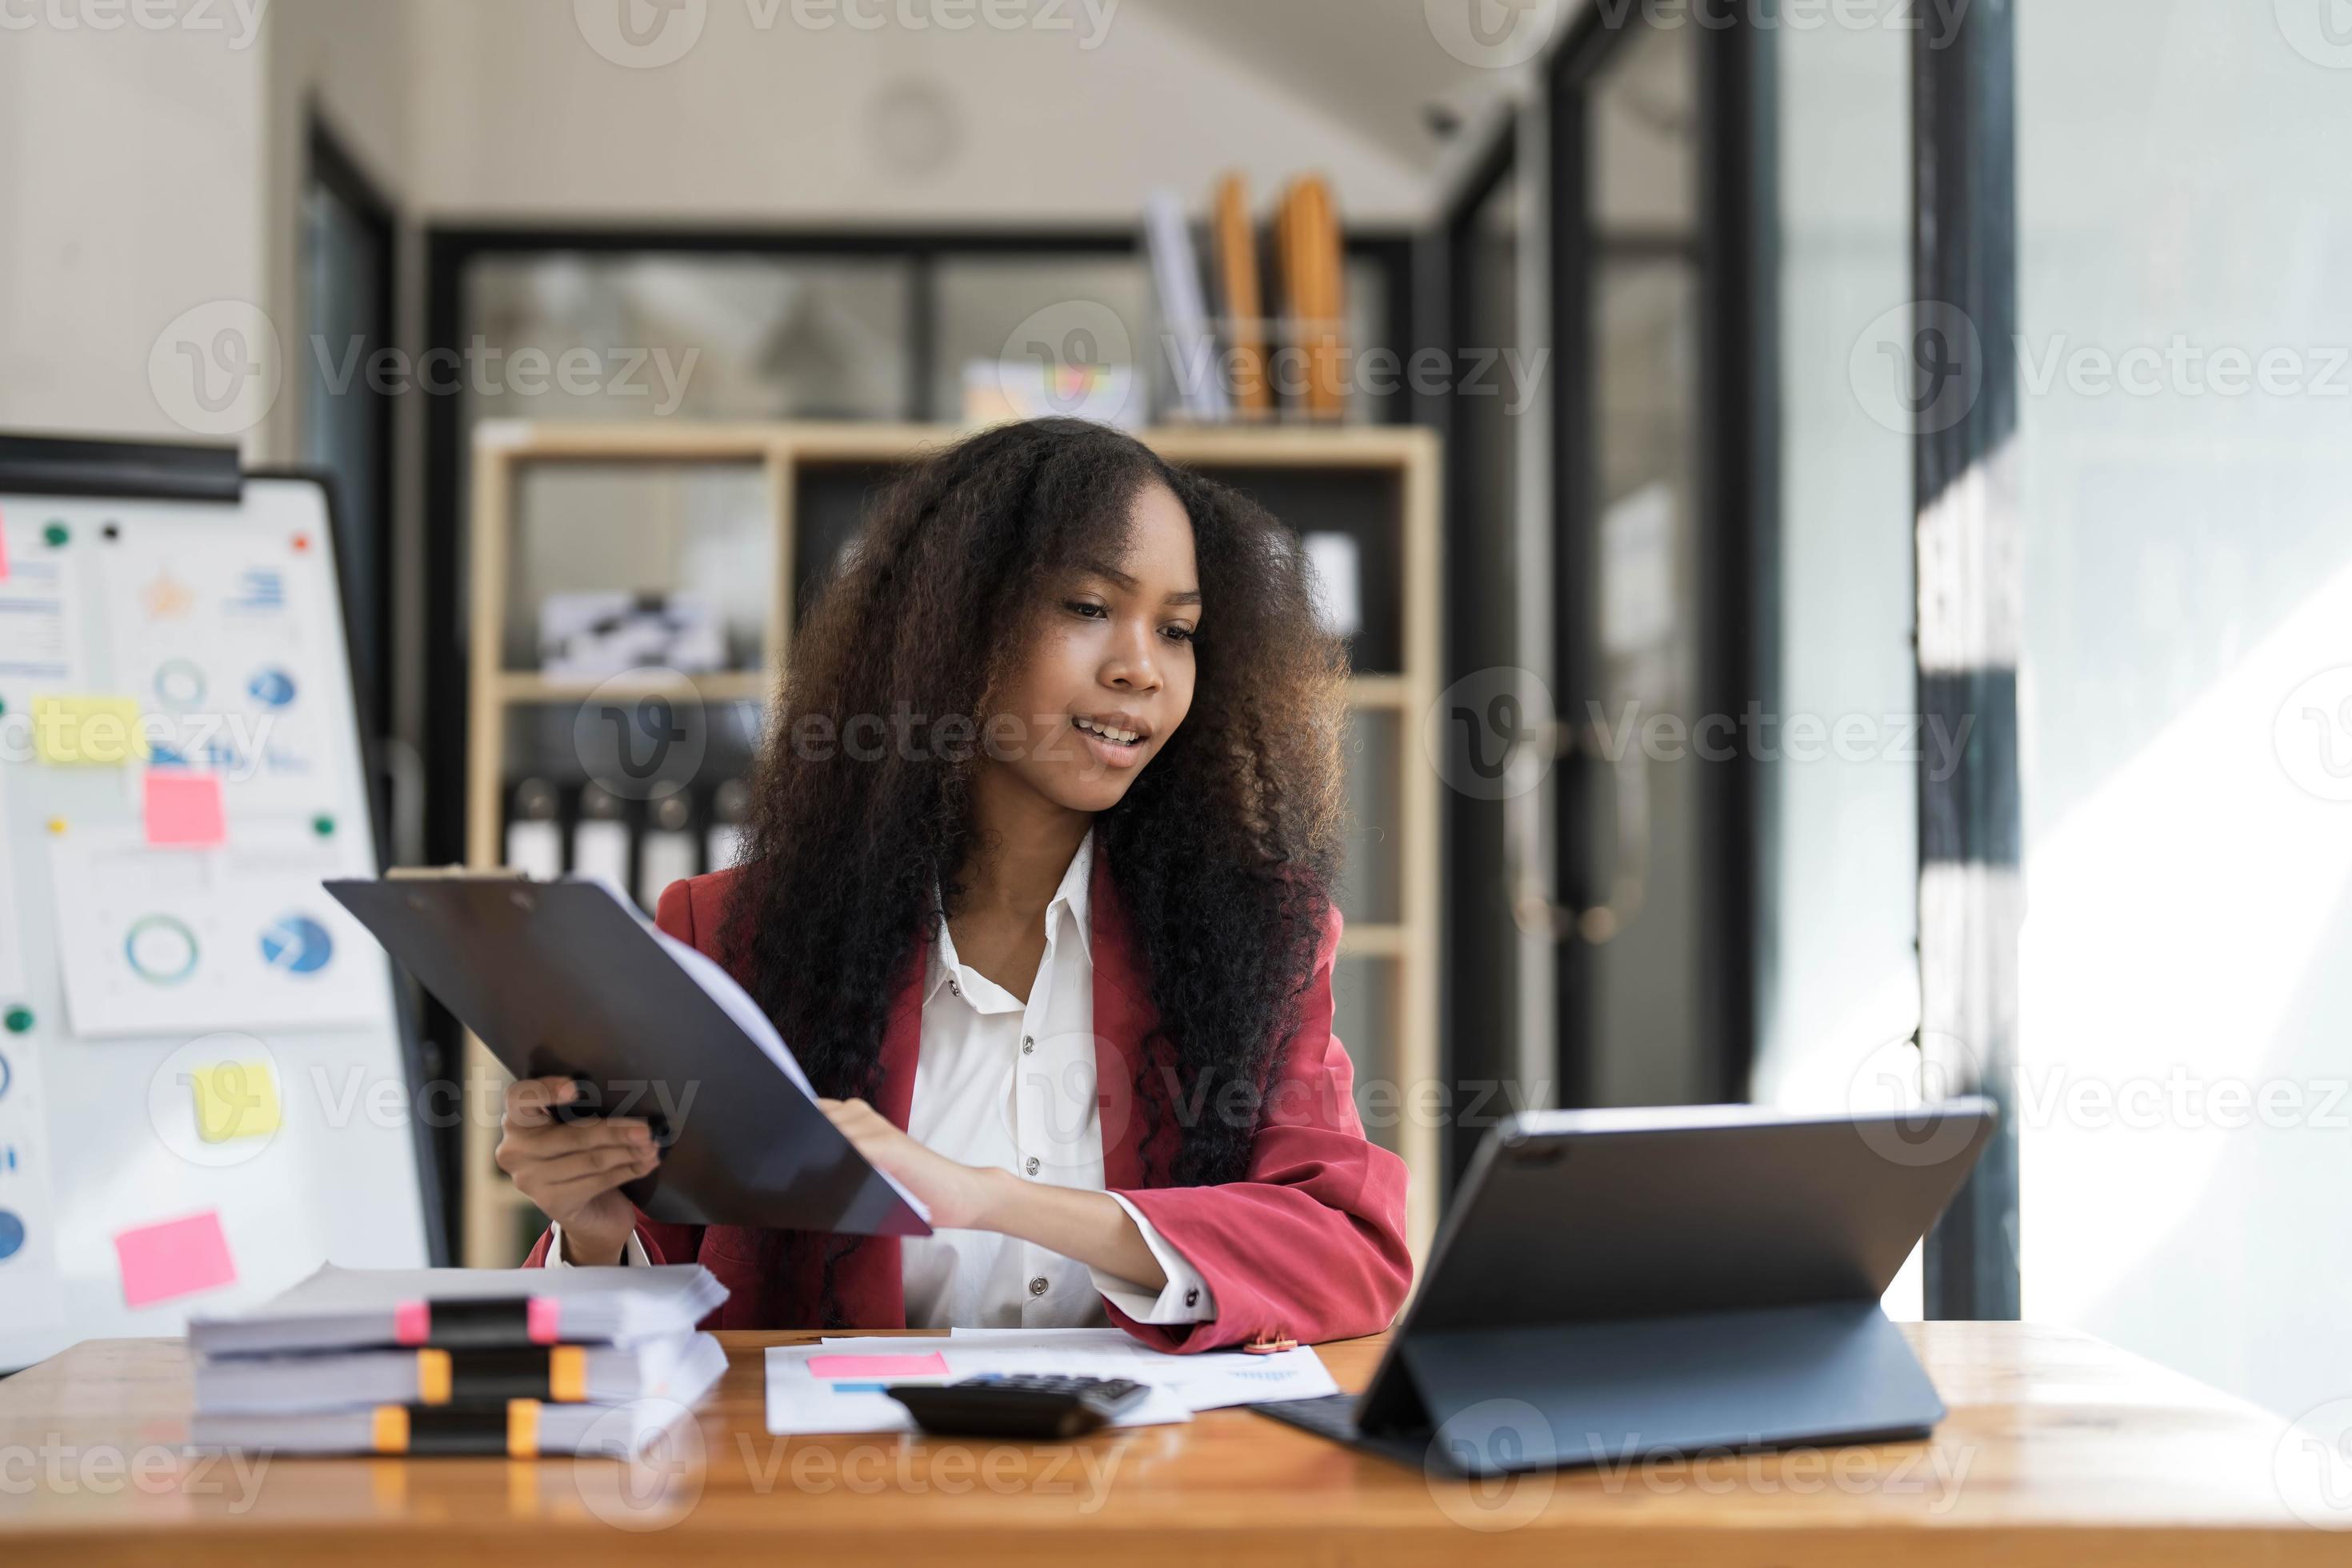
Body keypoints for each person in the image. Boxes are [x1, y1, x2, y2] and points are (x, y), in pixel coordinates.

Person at [498, 418, 1410, 1351]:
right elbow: (652, 1316)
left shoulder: (1259, 934)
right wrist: (593, 1233)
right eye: (1090, 608)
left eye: (1177, 630)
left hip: (1150, 1483)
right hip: (832, 1484)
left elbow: (1350, 1247)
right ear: (957, 626)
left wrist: (992, 1199)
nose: (1141, 667)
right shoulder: (731, 932)